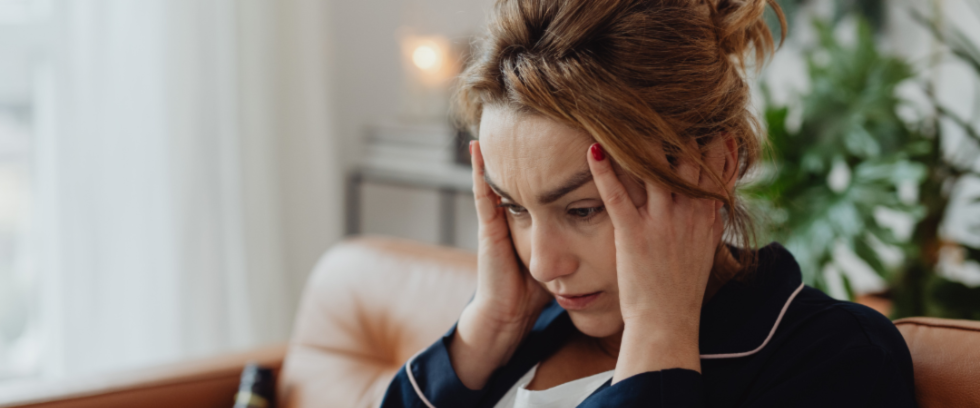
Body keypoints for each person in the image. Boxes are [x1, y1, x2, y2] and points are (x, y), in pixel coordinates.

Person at [381, 0, 917, 406]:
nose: (544, 265)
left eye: (583, 209)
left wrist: (660, 337)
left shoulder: (837, 359)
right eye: (515, 208)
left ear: (714, 166)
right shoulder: (531, 329)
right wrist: (489, 329)